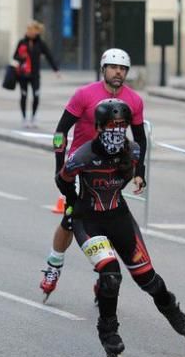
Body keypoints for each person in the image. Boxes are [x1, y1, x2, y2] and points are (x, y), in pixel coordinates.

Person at [57, 98, 185, 357]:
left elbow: (135, 170)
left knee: (147, 278)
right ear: (98, 127)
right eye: (110, 125)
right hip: (89, 219)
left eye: (122, 125)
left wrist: (139, 176)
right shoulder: (82, 155)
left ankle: (169, 306)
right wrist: (72, 204)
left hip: (119, 216)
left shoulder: (134, 150)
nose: (117, 130)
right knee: (110, 276)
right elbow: (62, 179)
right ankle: (109, 332)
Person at [39, 48, 146, 300]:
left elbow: (140, 139)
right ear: (103, 69)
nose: (118, 72)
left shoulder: (134, 101)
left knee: (107, 219)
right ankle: (54, 265)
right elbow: (60, 132)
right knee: (70, 217)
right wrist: (59, 167)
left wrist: (140, 172)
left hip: (113, 169)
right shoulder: (84, 95)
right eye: (113, 67)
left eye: (123, 69)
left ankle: (104, 276)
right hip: (82, 167)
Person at [11, 20, 60, 128]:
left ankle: (33, 117)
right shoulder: (22, 42)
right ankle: (24, 118)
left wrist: (55, 70)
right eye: (28, 29)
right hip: (23, 75)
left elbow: (49, 56)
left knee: (36, 96)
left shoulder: (41, 43)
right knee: (24, 96)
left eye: (31, 29)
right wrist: (21, 57)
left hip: (35, 76)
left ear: (36, 31)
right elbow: (14, 57)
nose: (29, 31)